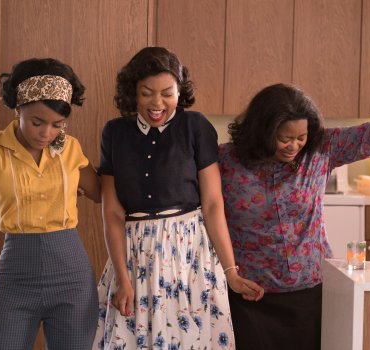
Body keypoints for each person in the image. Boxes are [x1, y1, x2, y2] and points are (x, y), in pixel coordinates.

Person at [218, 73, 370, 349]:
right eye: (285, 138)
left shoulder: (321, 150)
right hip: (249, 295)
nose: (294, 146)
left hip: (312, 292)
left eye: (301, 137)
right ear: (262, 130)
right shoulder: (225, 161)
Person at [93, 46, 264, 350]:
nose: (157, 103)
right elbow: (113, 213)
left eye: (167, 93)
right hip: (134, 257)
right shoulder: (114, 133)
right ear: (133, 93)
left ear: (179, 91)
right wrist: (123, 278)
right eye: (147, 93)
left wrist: (231, 273)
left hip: (190, 258)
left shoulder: (195, 127)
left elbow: (212, 205)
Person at [0, 58, 101, 350]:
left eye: (57, 124)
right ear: (18, 109)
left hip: (72, 279)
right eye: (37, 122)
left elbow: (102, 192)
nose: (46, 133)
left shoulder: (70, 148)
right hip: (15, 277)